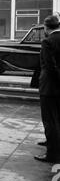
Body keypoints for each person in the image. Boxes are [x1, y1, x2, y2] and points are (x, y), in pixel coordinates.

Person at [34, 15, 60, 163]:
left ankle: (52, 153)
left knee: (50, 121)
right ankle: (52, 143)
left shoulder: (48, 41)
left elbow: (49, 66)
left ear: (46, 27)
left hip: (50, 88)